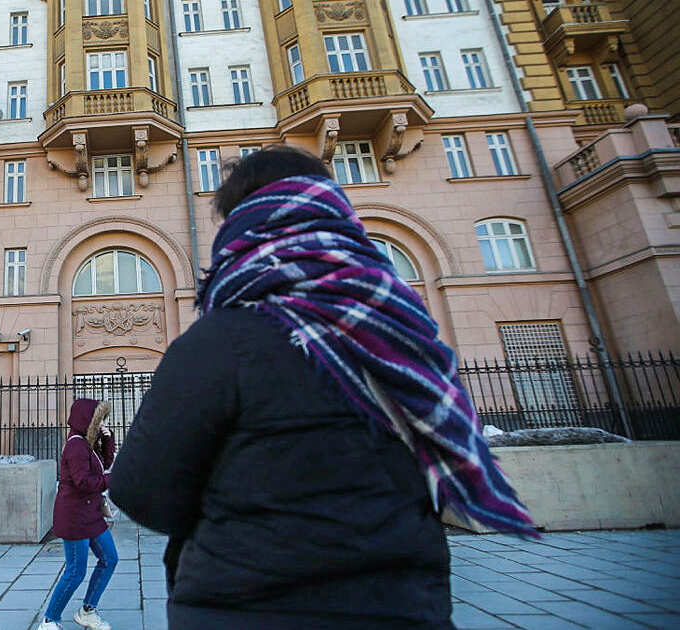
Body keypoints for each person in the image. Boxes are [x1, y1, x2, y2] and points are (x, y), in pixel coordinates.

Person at [109, 146, 536, 630]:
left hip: (243, 608)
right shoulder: (406, 333)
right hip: (403, 608)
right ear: (332, 209)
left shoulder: (221, 340)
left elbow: (139, 490)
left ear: (243, 227)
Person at [38, 399, 119, 630]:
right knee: (75, 571)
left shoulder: (86, 443)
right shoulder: (75, 445)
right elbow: (84, 481)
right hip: (74, 517)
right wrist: (113, 480)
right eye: (99, 419)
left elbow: (103, 463)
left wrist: (107, 438)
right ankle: (49, 620)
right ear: (87, 420)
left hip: (90, 515)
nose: (102, 422)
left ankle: (87, 610)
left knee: (110, 559)